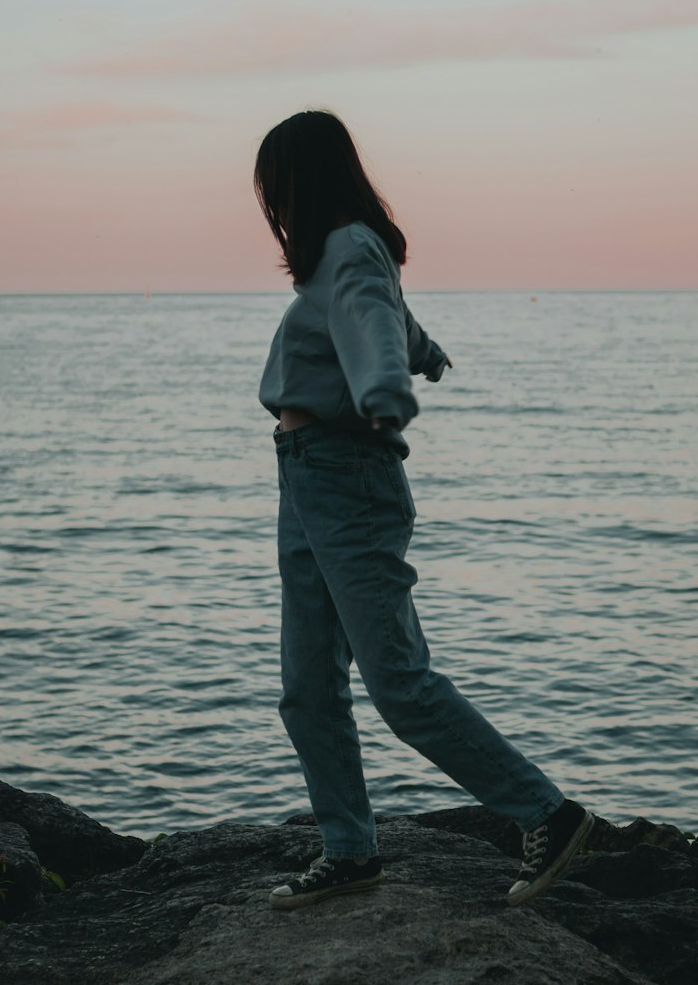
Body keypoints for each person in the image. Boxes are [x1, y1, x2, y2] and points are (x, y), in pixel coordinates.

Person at [255, 110, 593, 911]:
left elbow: (371, 323)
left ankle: (549, 814)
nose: (270, 202)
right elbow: (389, 320)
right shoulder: (341, 257)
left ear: (299, 181)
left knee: (397, 681)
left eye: (275, 185)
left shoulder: (347, 246)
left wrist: (386, 391)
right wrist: (426, 352)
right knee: (307, 688)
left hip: (346, 476)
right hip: (305, 479)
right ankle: (349, 848)